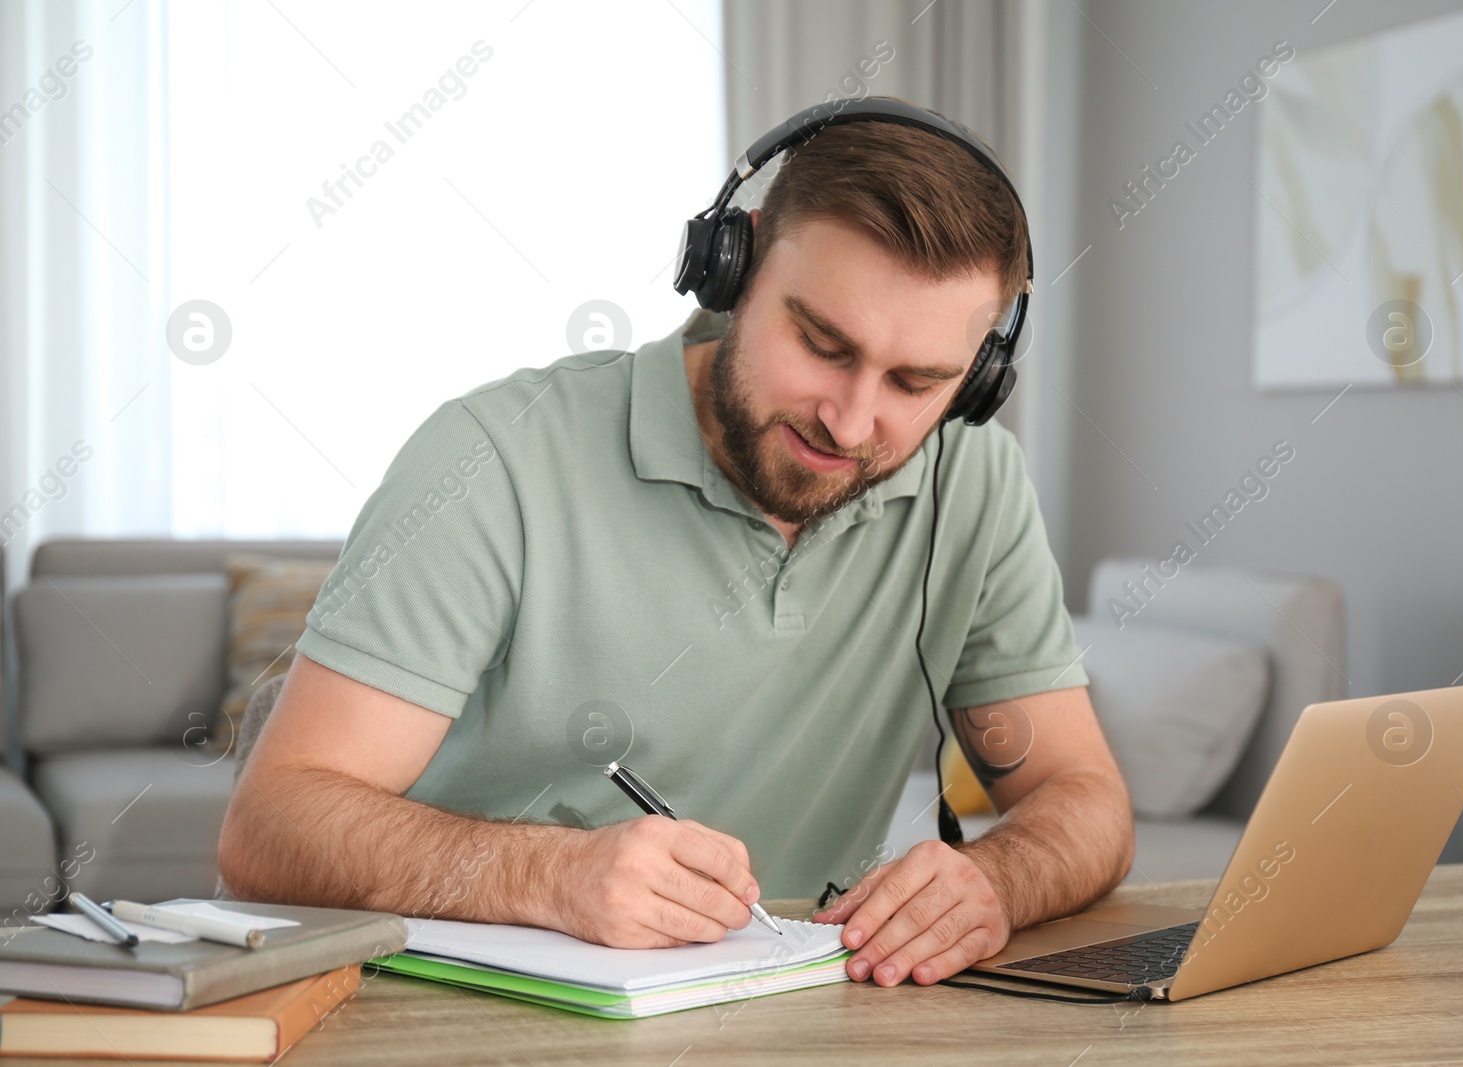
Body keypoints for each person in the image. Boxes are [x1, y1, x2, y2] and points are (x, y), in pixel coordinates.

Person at [218, 98, 1134, 990]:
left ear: (978, 378)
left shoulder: (974, 483)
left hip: (774, 1019)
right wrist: (547, 876)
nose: (851, 422)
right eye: (821, 342)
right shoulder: (493, 459)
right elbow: (271, 824)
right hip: (441, 1019)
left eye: (916, 381)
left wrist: (998, 882)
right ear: (736, 264)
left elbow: (1082, 795)